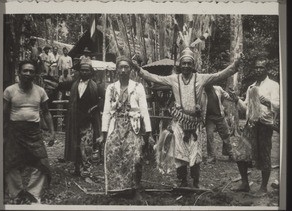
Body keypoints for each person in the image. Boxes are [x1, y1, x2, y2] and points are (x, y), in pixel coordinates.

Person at [136, 47, 241, 188]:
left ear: (193, 65)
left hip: (195, 122)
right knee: (180, 153)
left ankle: (196, 182)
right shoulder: (174, 79)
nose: (186, 66)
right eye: (183, 63)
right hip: (179, 122)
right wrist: (139, 70)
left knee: (195, 153)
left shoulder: (201, 78)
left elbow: (219, 75)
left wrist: (235, 65)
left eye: (189, 63)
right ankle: (182, 181)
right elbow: (155, 78)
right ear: (180, 64)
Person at [99, 56, 153, 195]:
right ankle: (117, 188)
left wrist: (148, 131)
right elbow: (106, 111)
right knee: (113, 154)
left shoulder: (137, 87)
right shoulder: (111, 88)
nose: (123, 70)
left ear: (130, 70)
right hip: (115, 126)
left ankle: (133, 187)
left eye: (126, 67)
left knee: (135, 156)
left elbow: (144, 110)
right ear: (116, 70)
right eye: (120, 67)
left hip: (133, 126)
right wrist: (103, 133)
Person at [3, 60, 55, 204]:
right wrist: (1, 133)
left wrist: (52, 132)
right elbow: (3, 114)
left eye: (31, 71)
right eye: (25, 70)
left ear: (35, 74)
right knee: (10, 162)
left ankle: (33, 193)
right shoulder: (10, 91)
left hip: (34, 132)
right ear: (19, 73)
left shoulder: (40, 91)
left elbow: (46, 113)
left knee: (42, 162)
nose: (28, 73)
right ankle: (17, 193)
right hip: (14, 131)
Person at [230, 57, 279, 196]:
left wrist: (268, 102)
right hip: (250, 125)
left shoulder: (273, 85)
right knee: (240, 153)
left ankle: (263, 188)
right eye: (256, 67)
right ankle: (245, 183)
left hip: (264, 125)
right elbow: (245, 108)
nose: (258, 70)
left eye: (261, 67)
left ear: (266, 69)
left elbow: (280, 105)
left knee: (264, 155)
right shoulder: (251, 87)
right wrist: (236, 99)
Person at [54, 63, 101, 176]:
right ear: (79, 71)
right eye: (82, 70)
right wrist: (52, 83)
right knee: (75, 144)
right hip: (75, 119)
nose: (84, 72)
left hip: (88, 121)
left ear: (91, 72)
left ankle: (87, 170)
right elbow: (60, 85)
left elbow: (102, 101)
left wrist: (93, 109)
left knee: (87, 145)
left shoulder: (96, 86)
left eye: (87, 70)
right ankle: (77, 169)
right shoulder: (73, 84)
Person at [204, 85, 235, 164]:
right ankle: (211, 157)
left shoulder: (218, 89)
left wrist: (230, 95)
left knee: (226, 135)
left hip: (219, 116)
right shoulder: (201, 91)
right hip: (209, 118)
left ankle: (231, 154)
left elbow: (226, 95)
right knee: (210, 136)